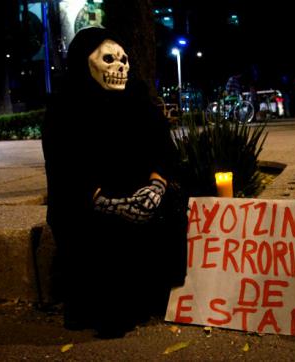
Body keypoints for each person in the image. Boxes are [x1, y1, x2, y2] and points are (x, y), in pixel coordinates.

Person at [41, 27, 188, 338]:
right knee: (101, 234)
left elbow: (163, 151)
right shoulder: (63, 108)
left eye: (124, 59)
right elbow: (64, 169)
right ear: (85, 62)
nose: (121, 67)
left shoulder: (140, 102)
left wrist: (155, 188)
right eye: (109, 59)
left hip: (141, 197)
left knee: (172, 210)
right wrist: (109, 203)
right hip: (89, 203)